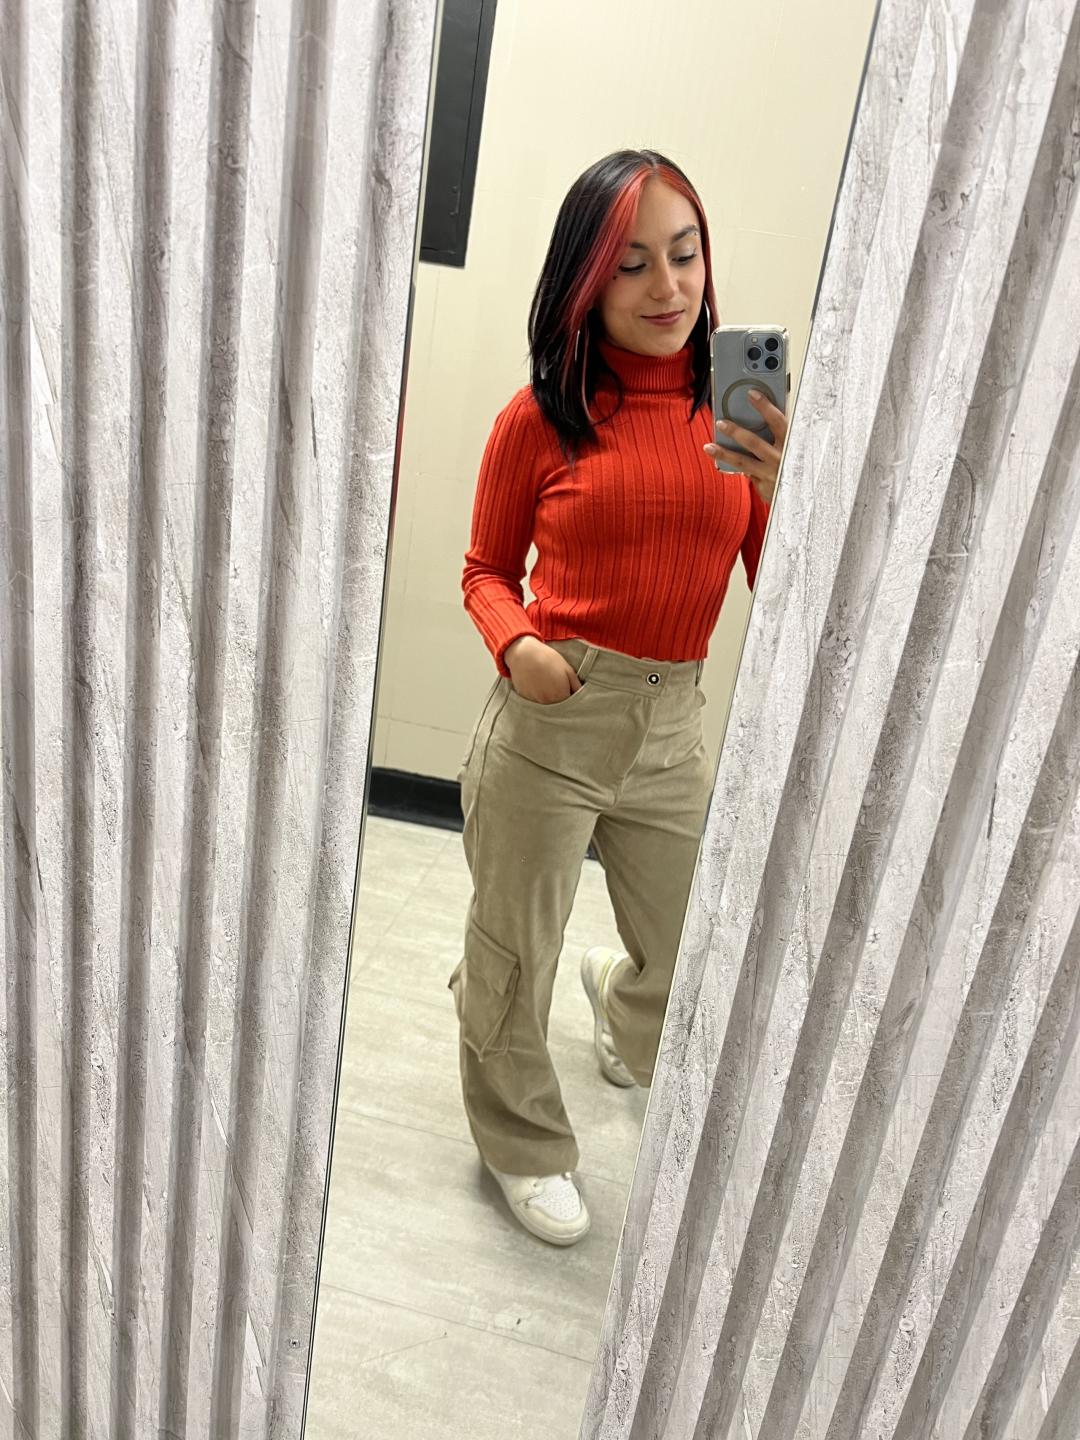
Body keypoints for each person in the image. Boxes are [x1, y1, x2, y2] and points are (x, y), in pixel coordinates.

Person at [448, 149, 785, 1246]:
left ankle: (619, 1002)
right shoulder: (540, 418)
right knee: (513, 954)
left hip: (673, 725)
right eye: (632, 264)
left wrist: (788, 489)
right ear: (586, 282)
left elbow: (780, 584)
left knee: (696, 951)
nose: (668, 286)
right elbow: (484, 570)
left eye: (685, 254)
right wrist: (517, 646)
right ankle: (522, 1142)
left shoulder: (737, 409)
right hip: (555, 717)